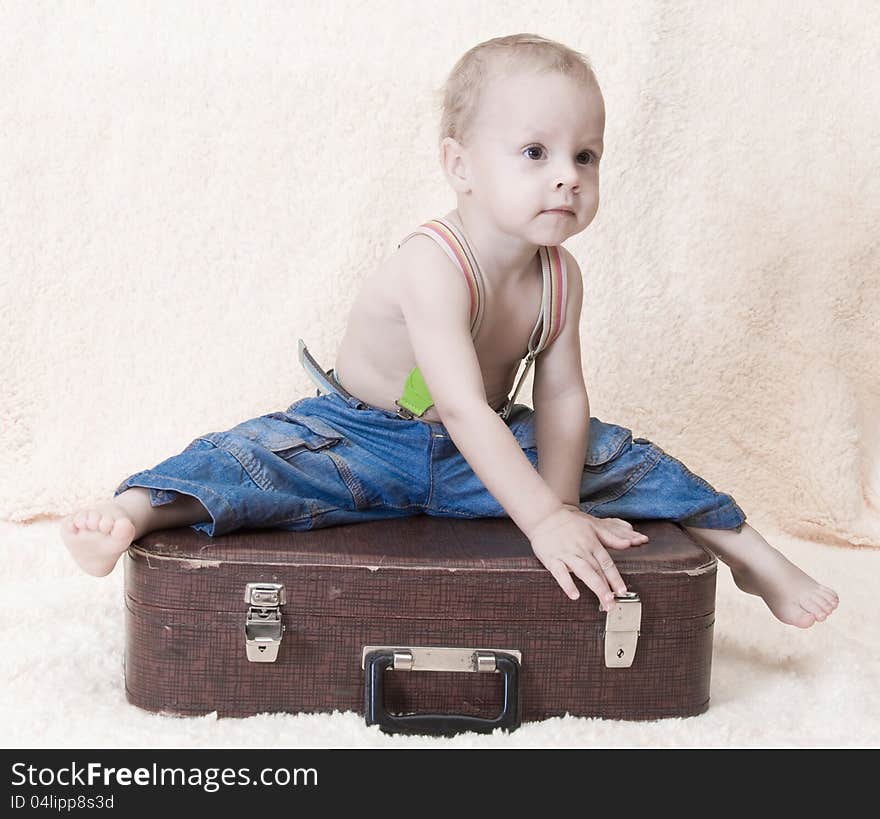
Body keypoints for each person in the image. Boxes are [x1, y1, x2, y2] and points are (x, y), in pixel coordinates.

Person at [60, 33, 838, 628]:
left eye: (586, 155)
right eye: (534, 152)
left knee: (623, 459)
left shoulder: (560, 276)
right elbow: (458, 401)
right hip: (361, 436)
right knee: (256, 463)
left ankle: (751, 558)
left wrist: (562, 505)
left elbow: (562, 396)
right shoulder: (434, 263)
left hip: (482, 451)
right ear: (460, 165)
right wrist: (537, 517)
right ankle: (132, 513)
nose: (567, 174)